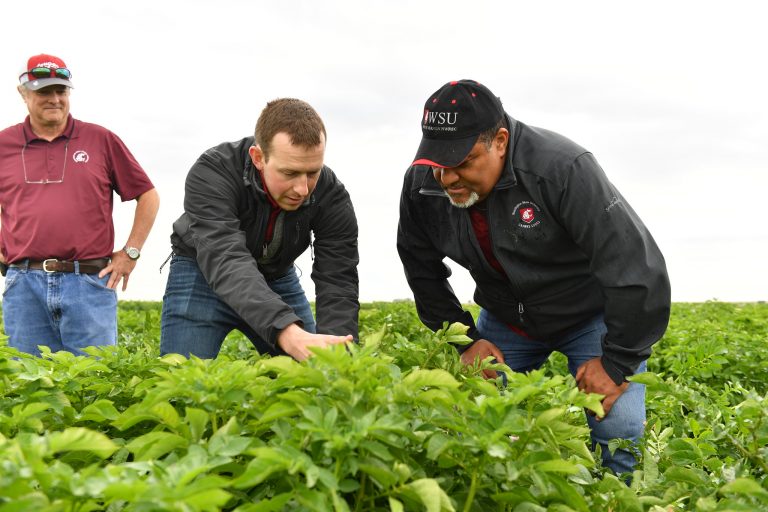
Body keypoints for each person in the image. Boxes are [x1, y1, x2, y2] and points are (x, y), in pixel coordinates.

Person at [397, 79, 671, 476]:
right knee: (475, 420)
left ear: (500, 141)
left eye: (464, 162)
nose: (448, 179)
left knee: (618, 431)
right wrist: (465, 340)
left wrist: (616, 364)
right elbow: (419, 266)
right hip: (507, 318)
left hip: (588, 315)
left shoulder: (561, 169)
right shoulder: (422, 185)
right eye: (439, 164)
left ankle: (619, 494)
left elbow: (635, 267)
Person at [160, 98, 358, 361]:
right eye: (289, 173)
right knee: (182, 382)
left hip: (277, 277)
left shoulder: (330, 194)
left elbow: (338, 276)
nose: (303, 188)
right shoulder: (213, 172)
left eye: (312, 172)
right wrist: (287, 332)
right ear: (258, 157)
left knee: (319, 373)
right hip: (202, 273)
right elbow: (225, 258)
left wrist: (338, 350)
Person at [0, 53, 160, 356]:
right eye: (44, 91)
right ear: (23, 93)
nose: (55, 99)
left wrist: (131, 252)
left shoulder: (100, 140)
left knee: (95, 380)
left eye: (61, 91)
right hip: (24, 285)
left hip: (88, 283)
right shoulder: (3, 145)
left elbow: (148, 196)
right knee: (29, 384)